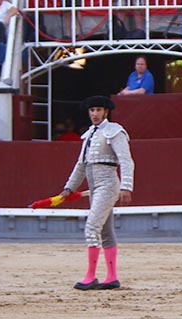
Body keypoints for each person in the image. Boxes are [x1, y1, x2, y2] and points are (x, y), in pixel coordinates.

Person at [59, 96, 135, 290]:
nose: (94, 114)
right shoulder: (89, 134)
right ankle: (111, 277)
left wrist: (126, 186)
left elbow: (126, 161)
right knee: (105, 231)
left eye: (98, 110)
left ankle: (91, 276)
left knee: (91, 227)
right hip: (95, 188)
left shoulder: (114, 131)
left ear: (106, 112)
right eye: (92, 110)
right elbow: (81, 165)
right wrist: (69, 188)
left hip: (108, 185)